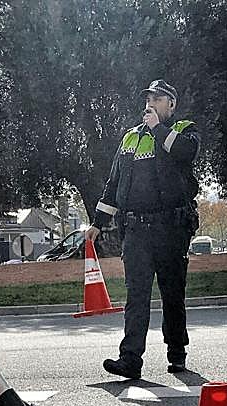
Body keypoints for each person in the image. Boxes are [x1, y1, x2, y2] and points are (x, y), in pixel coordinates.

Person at [86, 79, 200, 379]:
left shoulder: (183, 130)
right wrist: (98, 223)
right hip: (136, 231)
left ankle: (177, 354)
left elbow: (185, 153)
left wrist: (157, 128)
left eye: (157, 99)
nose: (150, 104)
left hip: (170, 229)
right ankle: (130, 359)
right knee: (136, 296)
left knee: (172, 294)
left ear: (171, 104)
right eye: (148, 99)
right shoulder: (130, 138)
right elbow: (114, 184)